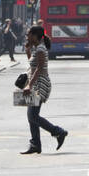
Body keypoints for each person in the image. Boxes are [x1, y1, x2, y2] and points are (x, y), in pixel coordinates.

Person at [19, 25, 68, 153]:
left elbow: (39, 69)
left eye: (29, 34)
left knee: (33, 115)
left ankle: (58, 132)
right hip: (35, 83)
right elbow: (32, 63)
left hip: (39, 84)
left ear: (35, 36)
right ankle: (35, 144)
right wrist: (28, 50)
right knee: (31, 116)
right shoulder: (37, 48)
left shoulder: (41, 49)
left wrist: (30, 85)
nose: (27, 36)